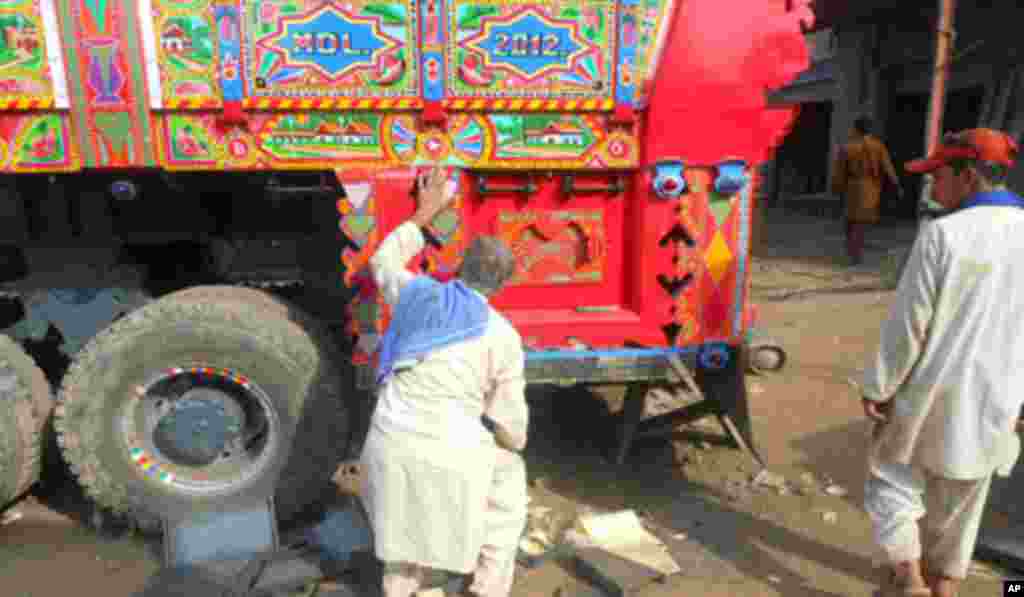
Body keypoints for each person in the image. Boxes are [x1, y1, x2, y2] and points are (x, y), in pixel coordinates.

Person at [859, 128, 1024, 597]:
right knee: (966, 493)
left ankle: (910, 580)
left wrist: (879, 386)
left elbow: (909, 323)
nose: (931, 186)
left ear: (966, 175)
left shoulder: (943, 233)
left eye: (938, 175)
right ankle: (946, 585)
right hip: (1000, 393)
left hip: (928, 386)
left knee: (891, 477)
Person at [360, 166, 529, 597]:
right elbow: (512, 427)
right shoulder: (502, 333)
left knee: (403, 544)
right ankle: (487, 589)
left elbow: (383, 261)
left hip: (387, 443)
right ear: (503, 286)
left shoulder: (415, 294)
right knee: (508, 487)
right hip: (451, 454)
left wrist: (426, 212)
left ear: (458, 268)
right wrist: (508, 443)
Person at [831, 115, 904, 265]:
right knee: (861, 222)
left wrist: (837, 189)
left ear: (856, 129)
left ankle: (852, 252)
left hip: (852, 186)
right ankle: (855, 253)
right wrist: (897, 185)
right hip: (871, 187)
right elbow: (888, 167)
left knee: (851, 221)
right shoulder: (878, 146)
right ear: (870, 129)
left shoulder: (847, 147)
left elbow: (839, 172)